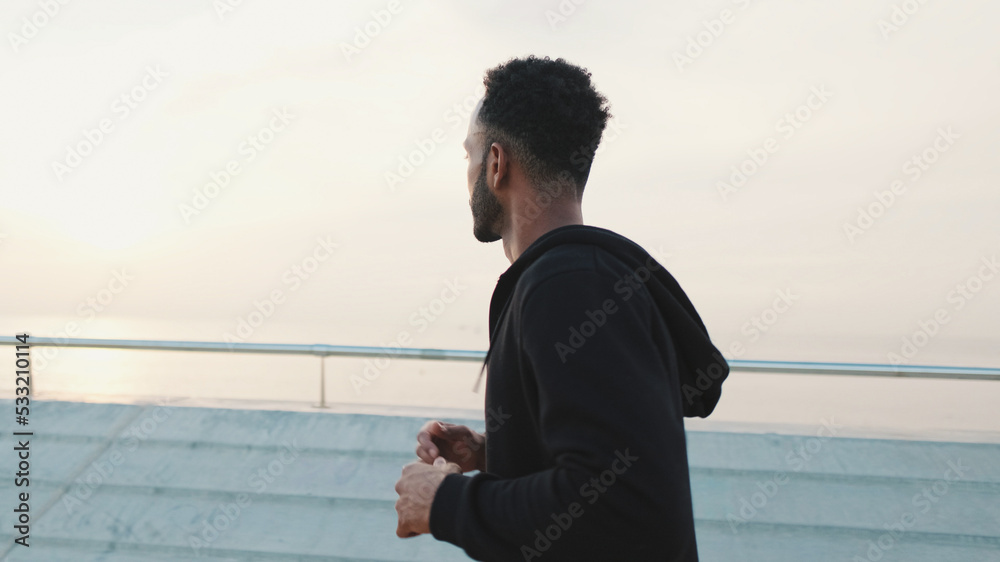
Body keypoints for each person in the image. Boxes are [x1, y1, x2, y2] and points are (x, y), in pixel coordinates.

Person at [394, 55, 729, 561]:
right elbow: (609, 467)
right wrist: (499, 453)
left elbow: (620, 505)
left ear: (496, 163)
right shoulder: (581, 280)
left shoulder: (571, 286)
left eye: (469, 154)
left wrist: (444, 502)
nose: (467, 173)